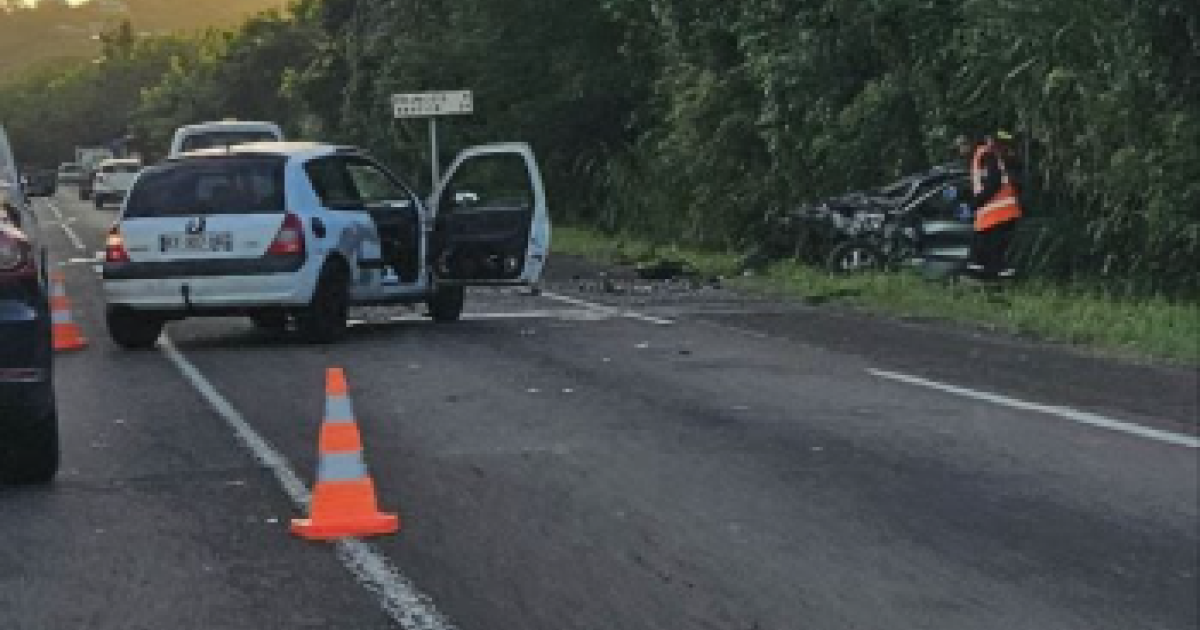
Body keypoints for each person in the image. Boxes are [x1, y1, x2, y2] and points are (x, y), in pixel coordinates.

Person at [957, 131, 1022, 279]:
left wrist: (974, 205)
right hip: (994, 214)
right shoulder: (981, 156)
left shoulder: (985, 154)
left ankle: (994, 282)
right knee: (985, 255)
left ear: (970, 143)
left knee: (988, 255)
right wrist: (965, 198)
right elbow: (981, 185)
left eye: (961, 145)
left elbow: (993, 183)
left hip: (998, 213)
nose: (960, 150)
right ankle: (987, 281)